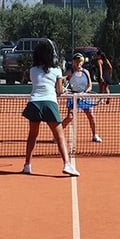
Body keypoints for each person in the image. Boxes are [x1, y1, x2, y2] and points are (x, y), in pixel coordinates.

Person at [20, 39, 79, 176]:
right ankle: (67, 165)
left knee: (32, 135)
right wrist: (61, 87)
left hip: (34, 103)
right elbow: (59, 92)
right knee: (60, 136)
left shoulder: (32, 70)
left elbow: (40, 82)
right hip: (49, 103)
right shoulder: (57, 70)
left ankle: (27, 165)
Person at [64, 53, 102, 143]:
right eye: (76, 61)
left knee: (91, 116)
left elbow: (90, 86)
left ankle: (95, 135)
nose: (78, 62)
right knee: (70, 117)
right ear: (73, 62)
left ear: (82, 62)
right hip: (73, 96)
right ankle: (56, 135)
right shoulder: (70, 72)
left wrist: (84, 93)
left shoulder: (86, 72)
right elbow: (60, 79)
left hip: (84, 96)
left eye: (80, 61)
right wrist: (63, 88)